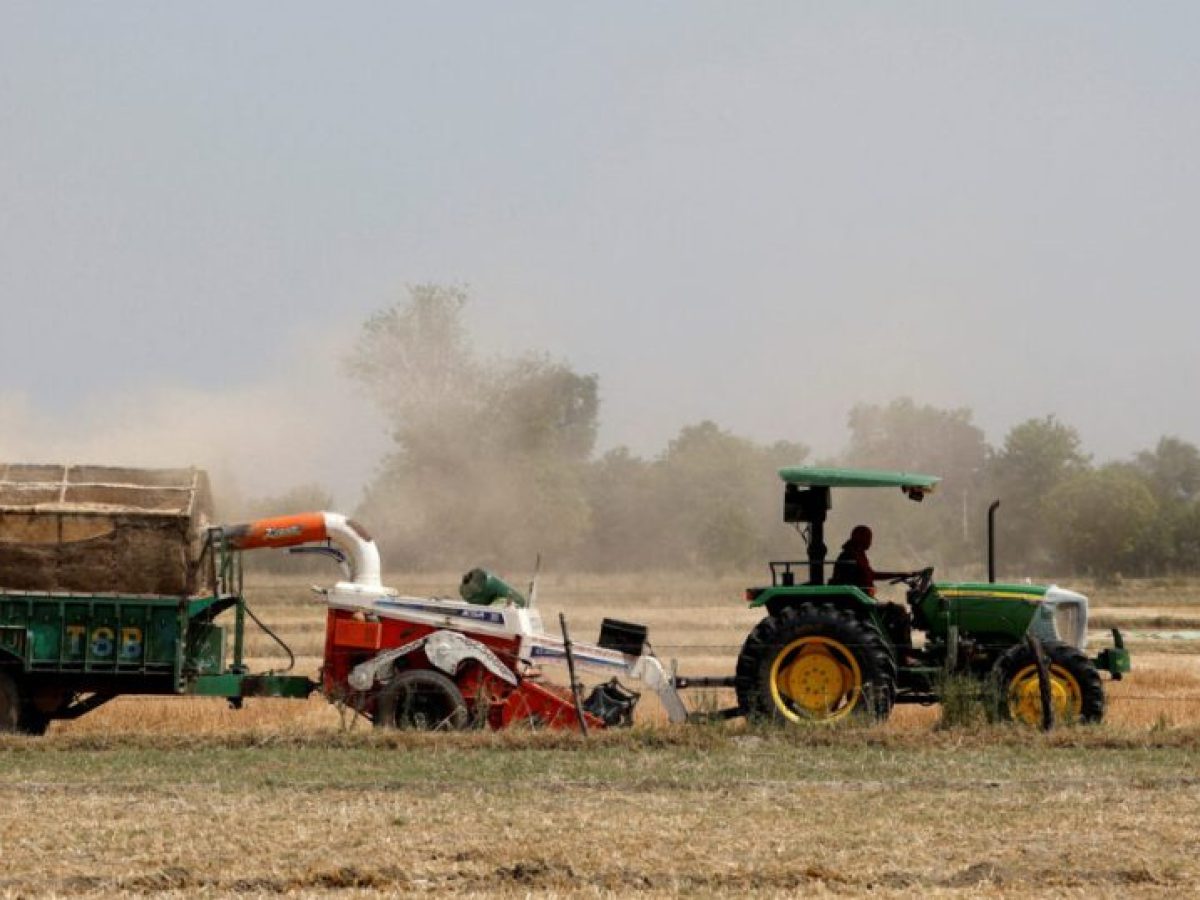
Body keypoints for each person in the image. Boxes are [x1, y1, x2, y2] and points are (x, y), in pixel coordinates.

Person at [830, 524, 916, 658]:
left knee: (896, 611)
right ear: (859, 538)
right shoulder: (849, 557)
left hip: (864, 600)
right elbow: (849, 582)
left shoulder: (858, 554)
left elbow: (871, 574)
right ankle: (904, 653)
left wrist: (900, 574)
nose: (870, 542)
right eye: (868, 538)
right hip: (859, 605)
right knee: (899, 612)